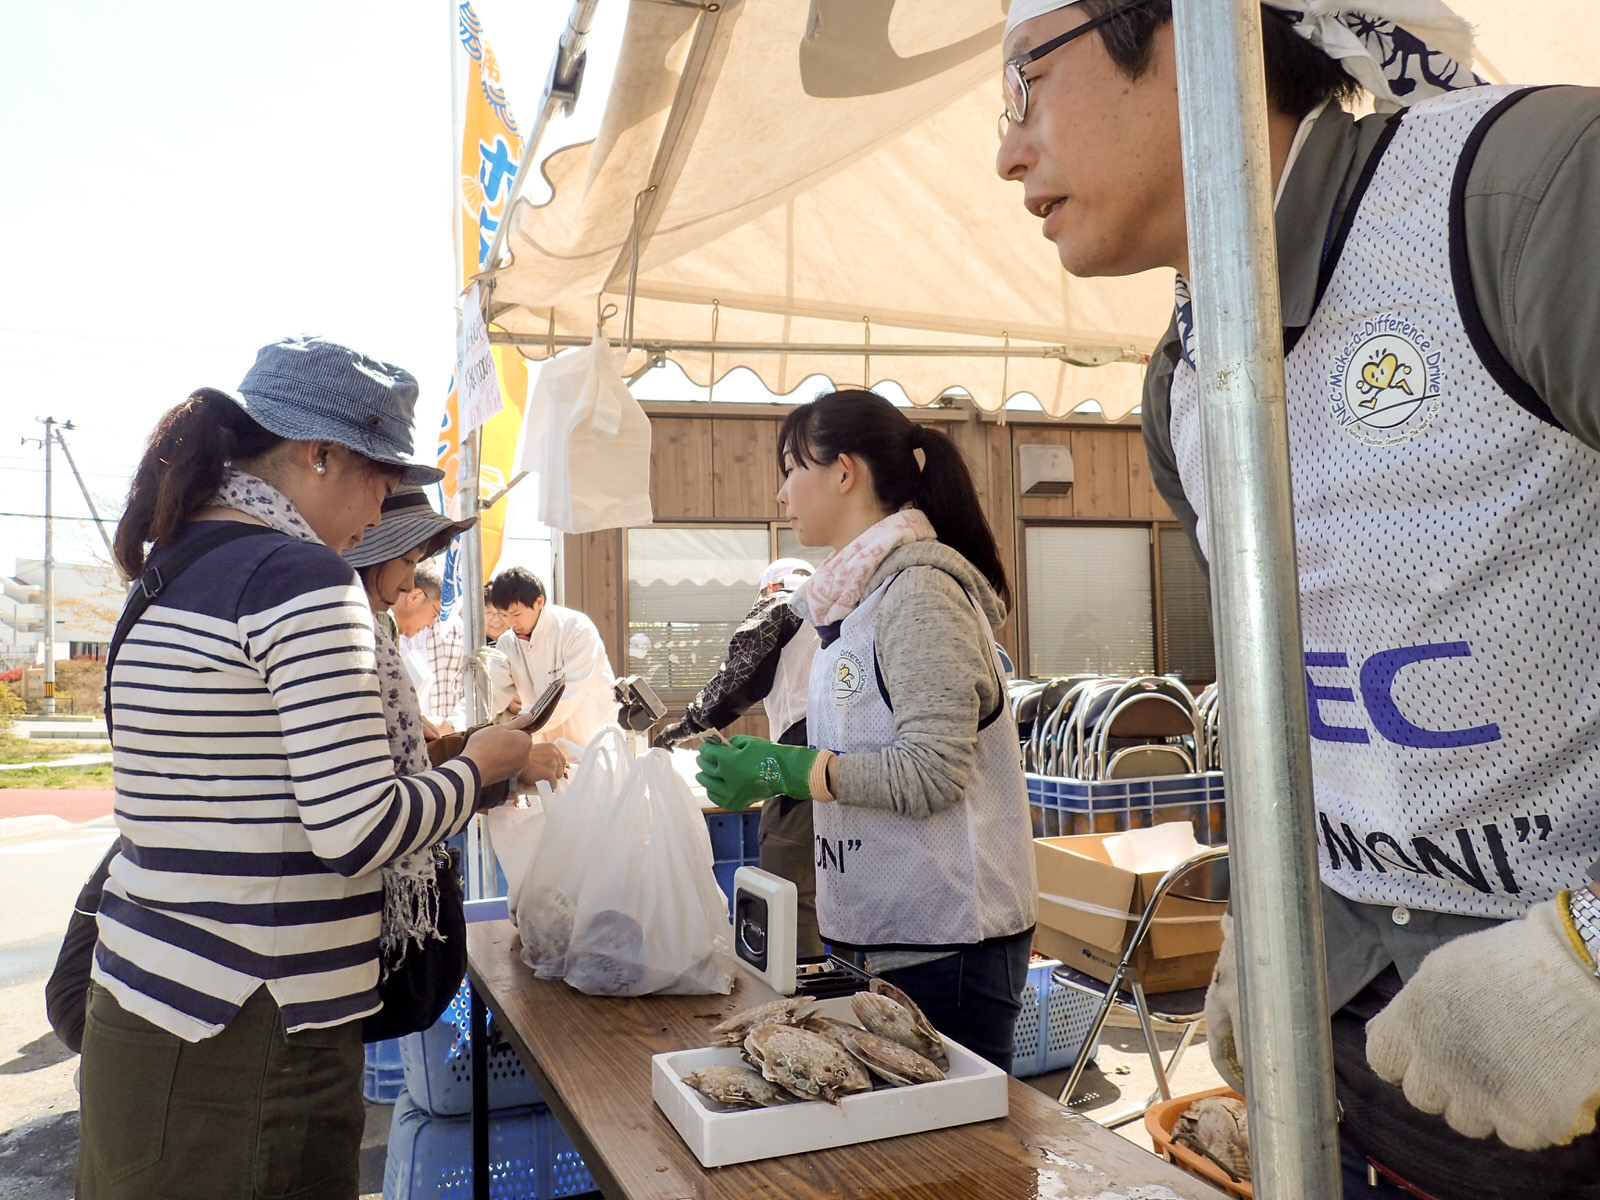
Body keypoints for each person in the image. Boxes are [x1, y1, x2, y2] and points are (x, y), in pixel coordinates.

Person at [997, 2, 1600, 1194]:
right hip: (1377, 1090)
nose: (1005, 152)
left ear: (1186, 29)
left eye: (1023, 82)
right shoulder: (1185, 384)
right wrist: (1280, 918)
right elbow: (1310, 695)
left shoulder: (1523, 198)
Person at [80, 336, 534, 1200]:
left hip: (146, 1010)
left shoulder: (175, 566)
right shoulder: (300, 576)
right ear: (319, 454)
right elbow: (357, 827)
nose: (380, 514)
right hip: (252, 1035)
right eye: (381, 482)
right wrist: (481, 767)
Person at [696, 391, 1038, 1069]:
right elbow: (866, 745)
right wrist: (775, 767)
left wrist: (788, 770)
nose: (781, 493)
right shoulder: (854, 601)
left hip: (946, 947)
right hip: (885, 932)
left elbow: (933, 772)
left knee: (954, 1139)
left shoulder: (919, 593)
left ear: (844, 472)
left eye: (792, 469)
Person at [655, 557, 825, 957]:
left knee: (789, 891)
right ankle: (848, 987)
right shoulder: (841, 606)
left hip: (800, 761)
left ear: (769, 588)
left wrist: (682, 728)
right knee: (839, 890)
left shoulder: (783, 603)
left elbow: (736, 678)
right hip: (852, 759)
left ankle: (800, 987)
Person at [484, 566, 619, 747]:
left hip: (590, 745)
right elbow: (491, 695)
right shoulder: (507, 643)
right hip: (543, 749)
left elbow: (567, 697)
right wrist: (458, 727)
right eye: (504, 615)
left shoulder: (576, 630)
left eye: (516, 614)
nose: (511, 622)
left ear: (539, 602)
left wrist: (515, 726)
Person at [394, 561, 466, 735]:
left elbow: (471, 689)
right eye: (434, 614)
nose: (431, 622)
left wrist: (452, 725)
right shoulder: (379, 628)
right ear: (415, 597)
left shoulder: (453, 629)